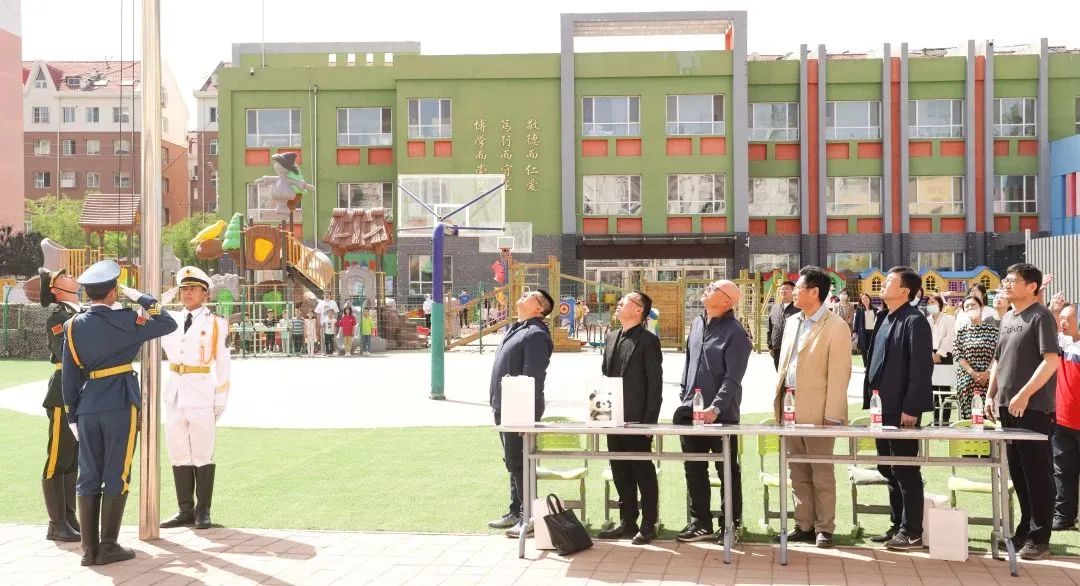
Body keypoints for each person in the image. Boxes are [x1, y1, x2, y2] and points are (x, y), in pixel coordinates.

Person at [62, 260, 177, 566]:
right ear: (114, 291)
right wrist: (141, 297)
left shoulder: (73, 326)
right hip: (120, 404)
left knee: (88, 474)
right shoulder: (126, 320)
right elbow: (167, 323)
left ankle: (89, 550)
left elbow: (69, 376)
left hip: (87, 407)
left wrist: (72, 415)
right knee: (116, 473)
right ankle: (109, 546)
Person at [772, 266, 852, 548]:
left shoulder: (836, 326)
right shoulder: (793, 321)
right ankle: (804, 524)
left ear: (814, 292)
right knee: (798, 471)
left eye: (798, 288)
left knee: (821, 472)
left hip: (819, 412)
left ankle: (824, 528)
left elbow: (839, 375)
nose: (793, 292)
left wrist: (833, 415)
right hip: (790, 407)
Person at [985, 263, 1060, 560]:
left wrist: (1024, 394)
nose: (1006, 284)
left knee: (1037, 473)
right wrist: (991, 395)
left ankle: (1040, 538)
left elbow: (1051, 361)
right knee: (1018, 472)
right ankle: (1025, 531)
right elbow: (999, 360)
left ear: (1032, 287)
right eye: (1005, 279)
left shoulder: (1041, 316)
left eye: (1013, 280)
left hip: (1033, 408)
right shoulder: (1007, 317)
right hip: (1007, 407)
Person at [862, 266, 933, 550]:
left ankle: (912, 531)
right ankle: (897, 524)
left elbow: (921, 368)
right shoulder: (886, 317)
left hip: (902, 409)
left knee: (905, 469)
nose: (883, 283)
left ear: (905, 291)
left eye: (890, 281)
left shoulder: (915, 321)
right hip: (881, 407)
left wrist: (911, 408)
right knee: (888, 467)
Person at [676, 279, 751, 543]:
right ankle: (700, 523)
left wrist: (716, 408)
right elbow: (689, 362)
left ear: (727, 301)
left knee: (727, 469)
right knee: (693, 468)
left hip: (722, 416)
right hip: (691, 411)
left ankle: (731, 523)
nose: (707, 289)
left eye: (713, 288)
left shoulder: (736, 333)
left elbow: (733, 378)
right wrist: (685, 394)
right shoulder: (697, 323)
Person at [158, 266, 231, 531]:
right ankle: (184, 510)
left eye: (193, 288)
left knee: (202, 452)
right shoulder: (170, 320)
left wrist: (220, 399)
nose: (187, 293)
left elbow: (223, 363)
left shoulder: (216, 323)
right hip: (175, 392)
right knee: (178, 451)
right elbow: (147, 313)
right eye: (183, 289)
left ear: (205, 293)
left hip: (201, 392)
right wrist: (164, 297)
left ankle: (203, 511)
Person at [595, 291, 663, 546]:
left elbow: (654, 385)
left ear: (639, 310)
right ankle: (627, 521)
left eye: (625, 301)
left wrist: (649, 422)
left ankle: (649, 523)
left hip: (637, 419)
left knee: (642, 470)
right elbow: (604, 377)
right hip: (612, 417)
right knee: (620, 469)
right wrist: (600, 415)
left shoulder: (648, 341)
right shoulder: (612, 337)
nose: (619, 303)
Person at [486, 289, 555, 538]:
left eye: (531, 295)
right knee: (512, 460)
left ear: (539, 308)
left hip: (519, 408)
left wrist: (525, 411)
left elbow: (532, 377)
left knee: (520, 461)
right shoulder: (517, 328)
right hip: (504, 405)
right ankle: (516, 511)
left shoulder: (536, 333)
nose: (524, 294)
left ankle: (529, 516)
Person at [38, 267, 83, 542]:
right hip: (63, 392)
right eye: (63, 275)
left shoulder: (83, 313)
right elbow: (64, 351)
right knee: (57, 456)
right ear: (56, 289)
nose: (71, 275)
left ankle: (69, 517)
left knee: (72, 457)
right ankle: (56, 523)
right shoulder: (58, 317)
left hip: (82, 391)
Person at [1053, 301, 1080, 531]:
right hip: (1062, 421)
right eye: (1061, 318)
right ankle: (1063, 516)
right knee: (1063, 471)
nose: (1062, 322)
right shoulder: (1062, 342)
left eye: (1067, 318)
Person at [954, 295, 999, 420]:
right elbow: (958, 354)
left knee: (988, 418)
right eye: (967, 306)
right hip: (967, 376)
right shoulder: (961, 332)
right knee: (970, 419)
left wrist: (988, 372)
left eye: (973, 304)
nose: (970, 307)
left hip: (989, 376)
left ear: (981, 307)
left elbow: (998, 353)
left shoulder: (994, 330)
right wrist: (973, 373)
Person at [926, 295, 957, 425]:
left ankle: (945, 419)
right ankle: (935, 418)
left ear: (940, 304)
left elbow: (950, 337)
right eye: (928, 303)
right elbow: (924, 339)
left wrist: (939, 353)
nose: (930, 305)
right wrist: (931, 354)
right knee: (932, 388)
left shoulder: (949, 319)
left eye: (933, 302)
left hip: (945, 355)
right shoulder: (926, 320)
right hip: (929, 356)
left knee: (945, 389)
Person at [767, 281, 798, 370]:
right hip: (777, 347)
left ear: (793, 291)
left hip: (793, 348)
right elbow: (770, 328)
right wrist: (770, 346)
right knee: (779, 371)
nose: (783, 291)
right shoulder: (774, 308)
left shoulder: (799, 308)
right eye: (782, 289)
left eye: (787, 289)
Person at [853, 292, 877, 368]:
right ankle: (866, 366)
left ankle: (872, 366)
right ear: (861, 301)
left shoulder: (875, 310)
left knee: (872, 349)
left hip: (873, 332)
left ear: (869, 299)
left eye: (866, 298)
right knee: (864, 349)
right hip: (863, 332)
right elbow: (856, 322)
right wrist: (855, 332)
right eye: (863, 299)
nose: (865, 300)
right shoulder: (859, 310)